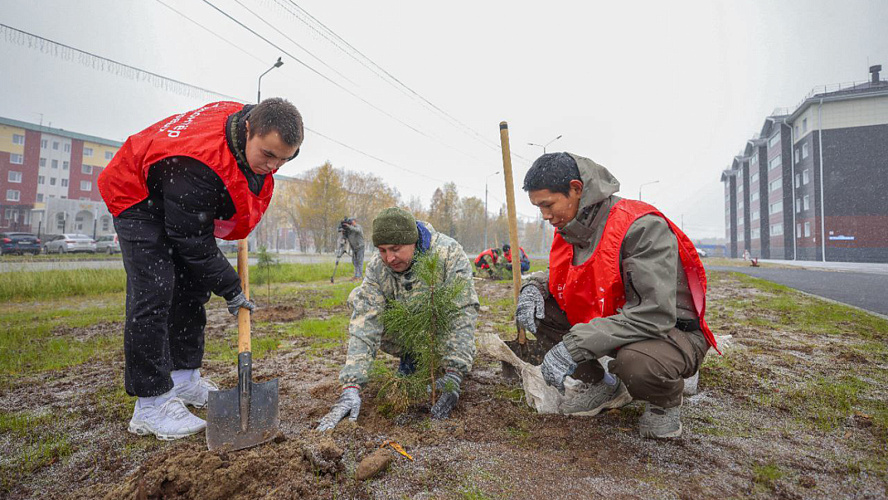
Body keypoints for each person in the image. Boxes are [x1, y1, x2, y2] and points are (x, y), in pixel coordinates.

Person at [98, 99, 304, 440]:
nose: (274, 166)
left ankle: (184, 377)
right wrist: (232, 287)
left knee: (192, 287)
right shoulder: (197, 164)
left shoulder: (250, 125)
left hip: (171, 192)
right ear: (250, 129)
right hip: (135, 193)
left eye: (285, 158)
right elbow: (191, 240)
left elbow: (197, 240)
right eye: (268, 155)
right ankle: (151, 404)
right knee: (154, 290)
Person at [515, 152, 718, 439]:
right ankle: (601, 386)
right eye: (539, 208)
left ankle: (665, 401)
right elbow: (568, 274)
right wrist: (533, 287)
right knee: (540, 309)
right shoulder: (570, 228)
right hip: (615, 320)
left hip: (669, 332)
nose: (545, 216)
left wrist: (573, 346)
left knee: (636, 364)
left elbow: (655, 314)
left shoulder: (641, 228)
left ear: (576, 188)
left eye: (548, 205)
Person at [317, 207, 479, 430]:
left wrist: (455, 373)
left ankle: (442, 366)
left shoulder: (447, 254)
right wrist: (351, 388)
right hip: (408, 334)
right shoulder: (378, 266)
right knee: (358, 298)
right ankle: (411, 359)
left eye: (395, 249)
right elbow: (366, 320)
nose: (389, 258)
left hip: (439, 336)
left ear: (413, 241)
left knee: (454, 321)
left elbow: (462, 311)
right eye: (382, 250)